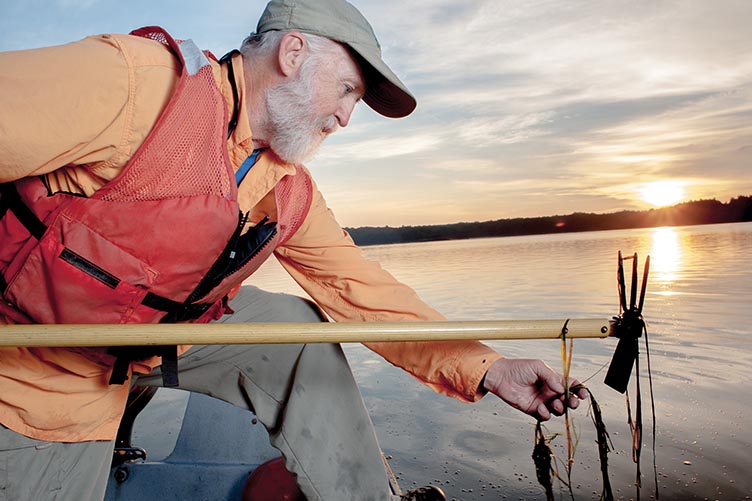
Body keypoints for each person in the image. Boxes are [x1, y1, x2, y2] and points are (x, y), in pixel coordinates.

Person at [0, 0, 587, 499]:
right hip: (37, 374)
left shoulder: (287, 188)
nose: (346, 118)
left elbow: (364, 293)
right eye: (348, 91)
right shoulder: (133, 85)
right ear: (294, 54)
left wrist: (489, 367)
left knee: (293, 325)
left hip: (151, 343)